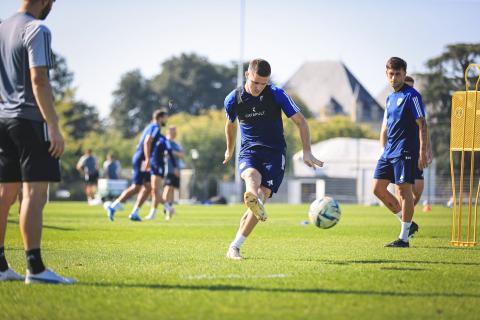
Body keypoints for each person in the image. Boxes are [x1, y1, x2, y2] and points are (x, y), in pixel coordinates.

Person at [0, 0, 76, 284]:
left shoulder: (2, 27)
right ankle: (35, 268)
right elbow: (40, 81)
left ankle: (0, 266)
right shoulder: (37, 29)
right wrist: (54, 126)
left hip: (3, 120)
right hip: (31, 121)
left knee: (5, 194)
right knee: (34, 195)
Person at [223, 59, 324, 260]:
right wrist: (229, 149)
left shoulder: (276, 93)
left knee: (262, 194)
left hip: (274, 153)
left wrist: (307, 151)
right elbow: (230, 125)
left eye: (263, 83)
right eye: (255, 82)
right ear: (247, 75)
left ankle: (236, 242)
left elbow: (301, 121)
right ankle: (252, 199)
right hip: (249, 150)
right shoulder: (233, 98)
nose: (259, 87)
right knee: (251, 177)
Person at [373, 57, 429, 248]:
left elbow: (422, 124)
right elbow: (387, 128)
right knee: (377, 189)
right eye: (391, 74)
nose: (395, 77)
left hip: (405, 151)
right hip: (389, 151)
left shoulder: (412, 96)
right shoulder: (389, 99)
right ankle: (408, 223)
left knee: (403, 192)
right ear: (386, 74)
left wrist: (423, 151)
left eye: (398, 74)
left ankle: (403, 238)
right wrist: (383, 150)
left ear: (404, 74)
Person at [380, 76, 433, 213]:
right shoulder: (391, 103)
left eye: (411, 86)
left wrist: (427, 150)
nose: (409, 89)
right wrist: (383, 151)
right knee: (402, 189)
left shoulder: (415, 101)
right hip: (399, 153)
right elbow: (384, 131)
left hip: (415, 152)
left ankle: (407, 215)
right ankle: (405, 219)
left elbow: (424, 128)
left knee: (418, 190)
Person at [105, 109, 167, 222]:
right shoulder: (156, 127)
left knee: (148, 187)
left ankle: (134, 212)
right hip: (142, 160)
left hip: (142, 158)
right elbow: (147, 141)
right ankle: (113, 206)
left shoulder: (149, 127)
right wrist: (147, 158)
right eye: (165, 117)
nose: (166, 119)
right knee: (136, 186)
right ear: (160, 118)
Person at [144, 124, 179, 221]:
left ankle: (166, 209)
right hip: (153, 166)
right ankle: (156, 213)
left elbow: (170, 153)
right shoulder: (152, 139)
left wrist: (175, 167)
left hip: (159, 167)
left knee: (155, 191)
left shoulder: (163, 139)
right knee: (153, 191)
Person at [162, 126, 184, 220]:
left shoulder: (176, 144)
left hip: (177, 169)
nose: (174, 133)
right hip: (168, 169)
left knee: (172, 190)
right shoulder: (165, 142)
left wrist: (173, 152)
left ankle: (168, 211)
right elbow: (165, 153)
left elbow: (182, 154)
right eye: (172, 131)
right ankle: (165, 207)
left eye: (175, 131)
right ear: (168, 132)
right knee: (167, 188)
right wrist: (173, 153)